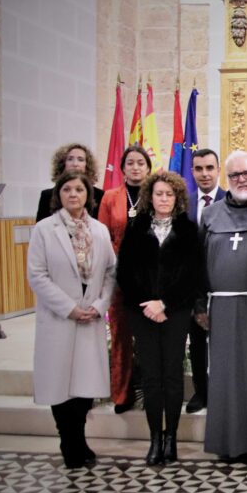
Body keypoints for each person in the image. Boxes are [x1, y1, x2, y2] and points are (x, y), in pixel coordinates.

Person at [28, 172, 116, 469]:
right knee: (60, 385)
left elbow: (110, 273)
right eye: (67, 189)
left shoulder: (100, 230)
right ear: (58, 194)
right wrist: (69, 308)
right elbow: (37, 276)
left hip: (90, 318)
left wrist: (99, 304)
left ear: (88, 194)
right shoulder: (44, 230)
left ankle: (79, 438)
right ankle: (68, 441)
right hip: (59, 319)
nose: (73, 194)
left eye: (79, 189)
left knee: (84, 386)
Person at [197, 150, 247, 461]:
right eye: (234, 175)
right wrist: (198, 305)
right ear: (225, 179)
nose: (242, 179)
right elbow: (198, 264)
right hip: (222, 309)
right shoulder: (211, 215)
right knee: (225, 376)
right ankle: (226, 443)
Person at [117, 172, 202, 466]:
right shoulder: (136, 227)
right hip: (142, 313)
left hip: (175, 313)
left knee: (172, 375)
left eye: (169, 194)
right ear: (149, 197)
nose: (164, 199)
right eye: (159, 194)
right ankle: (155, 437)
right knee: (152, 377)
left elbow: (193, 276)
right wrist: (148, 304)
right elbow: (124, 273)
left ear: (177, 198)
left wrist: (164, 303)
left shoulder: (189, 230)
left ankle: (171, 439)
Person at [98, 145, 152, 413]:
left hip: (149, 277)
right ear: (122, 168)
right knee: (120, 334)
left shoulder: (157, 194)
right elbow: (102, 236)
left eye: (140, 163)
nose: (135, 167)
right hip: (118, 275)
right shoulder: (110, 197)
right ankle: (122, 394)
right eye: (130, 163)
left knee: (148, 335)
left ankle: (150, 390)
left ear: (148, 167)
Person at [184, 148, 226, 415]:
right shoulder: (184, 204)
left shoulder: (232, 200)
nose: (205, 174)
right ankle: (201, 391)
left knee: (224, 344)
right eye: (199, 169)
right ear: (192, 172)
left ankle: (223, 391)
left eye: (210, 168)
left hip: (224, 284)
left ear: (218, 170)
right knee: (198, 343)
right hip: (192, 286)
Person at [36, 143, 106, 222]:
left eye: (80, 160)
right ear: (63, 164)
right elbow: (41, 229)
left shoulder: (101, 196)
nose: (75, 164)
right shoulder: (47, 195)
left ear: (87, 166)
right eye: (70, 159)